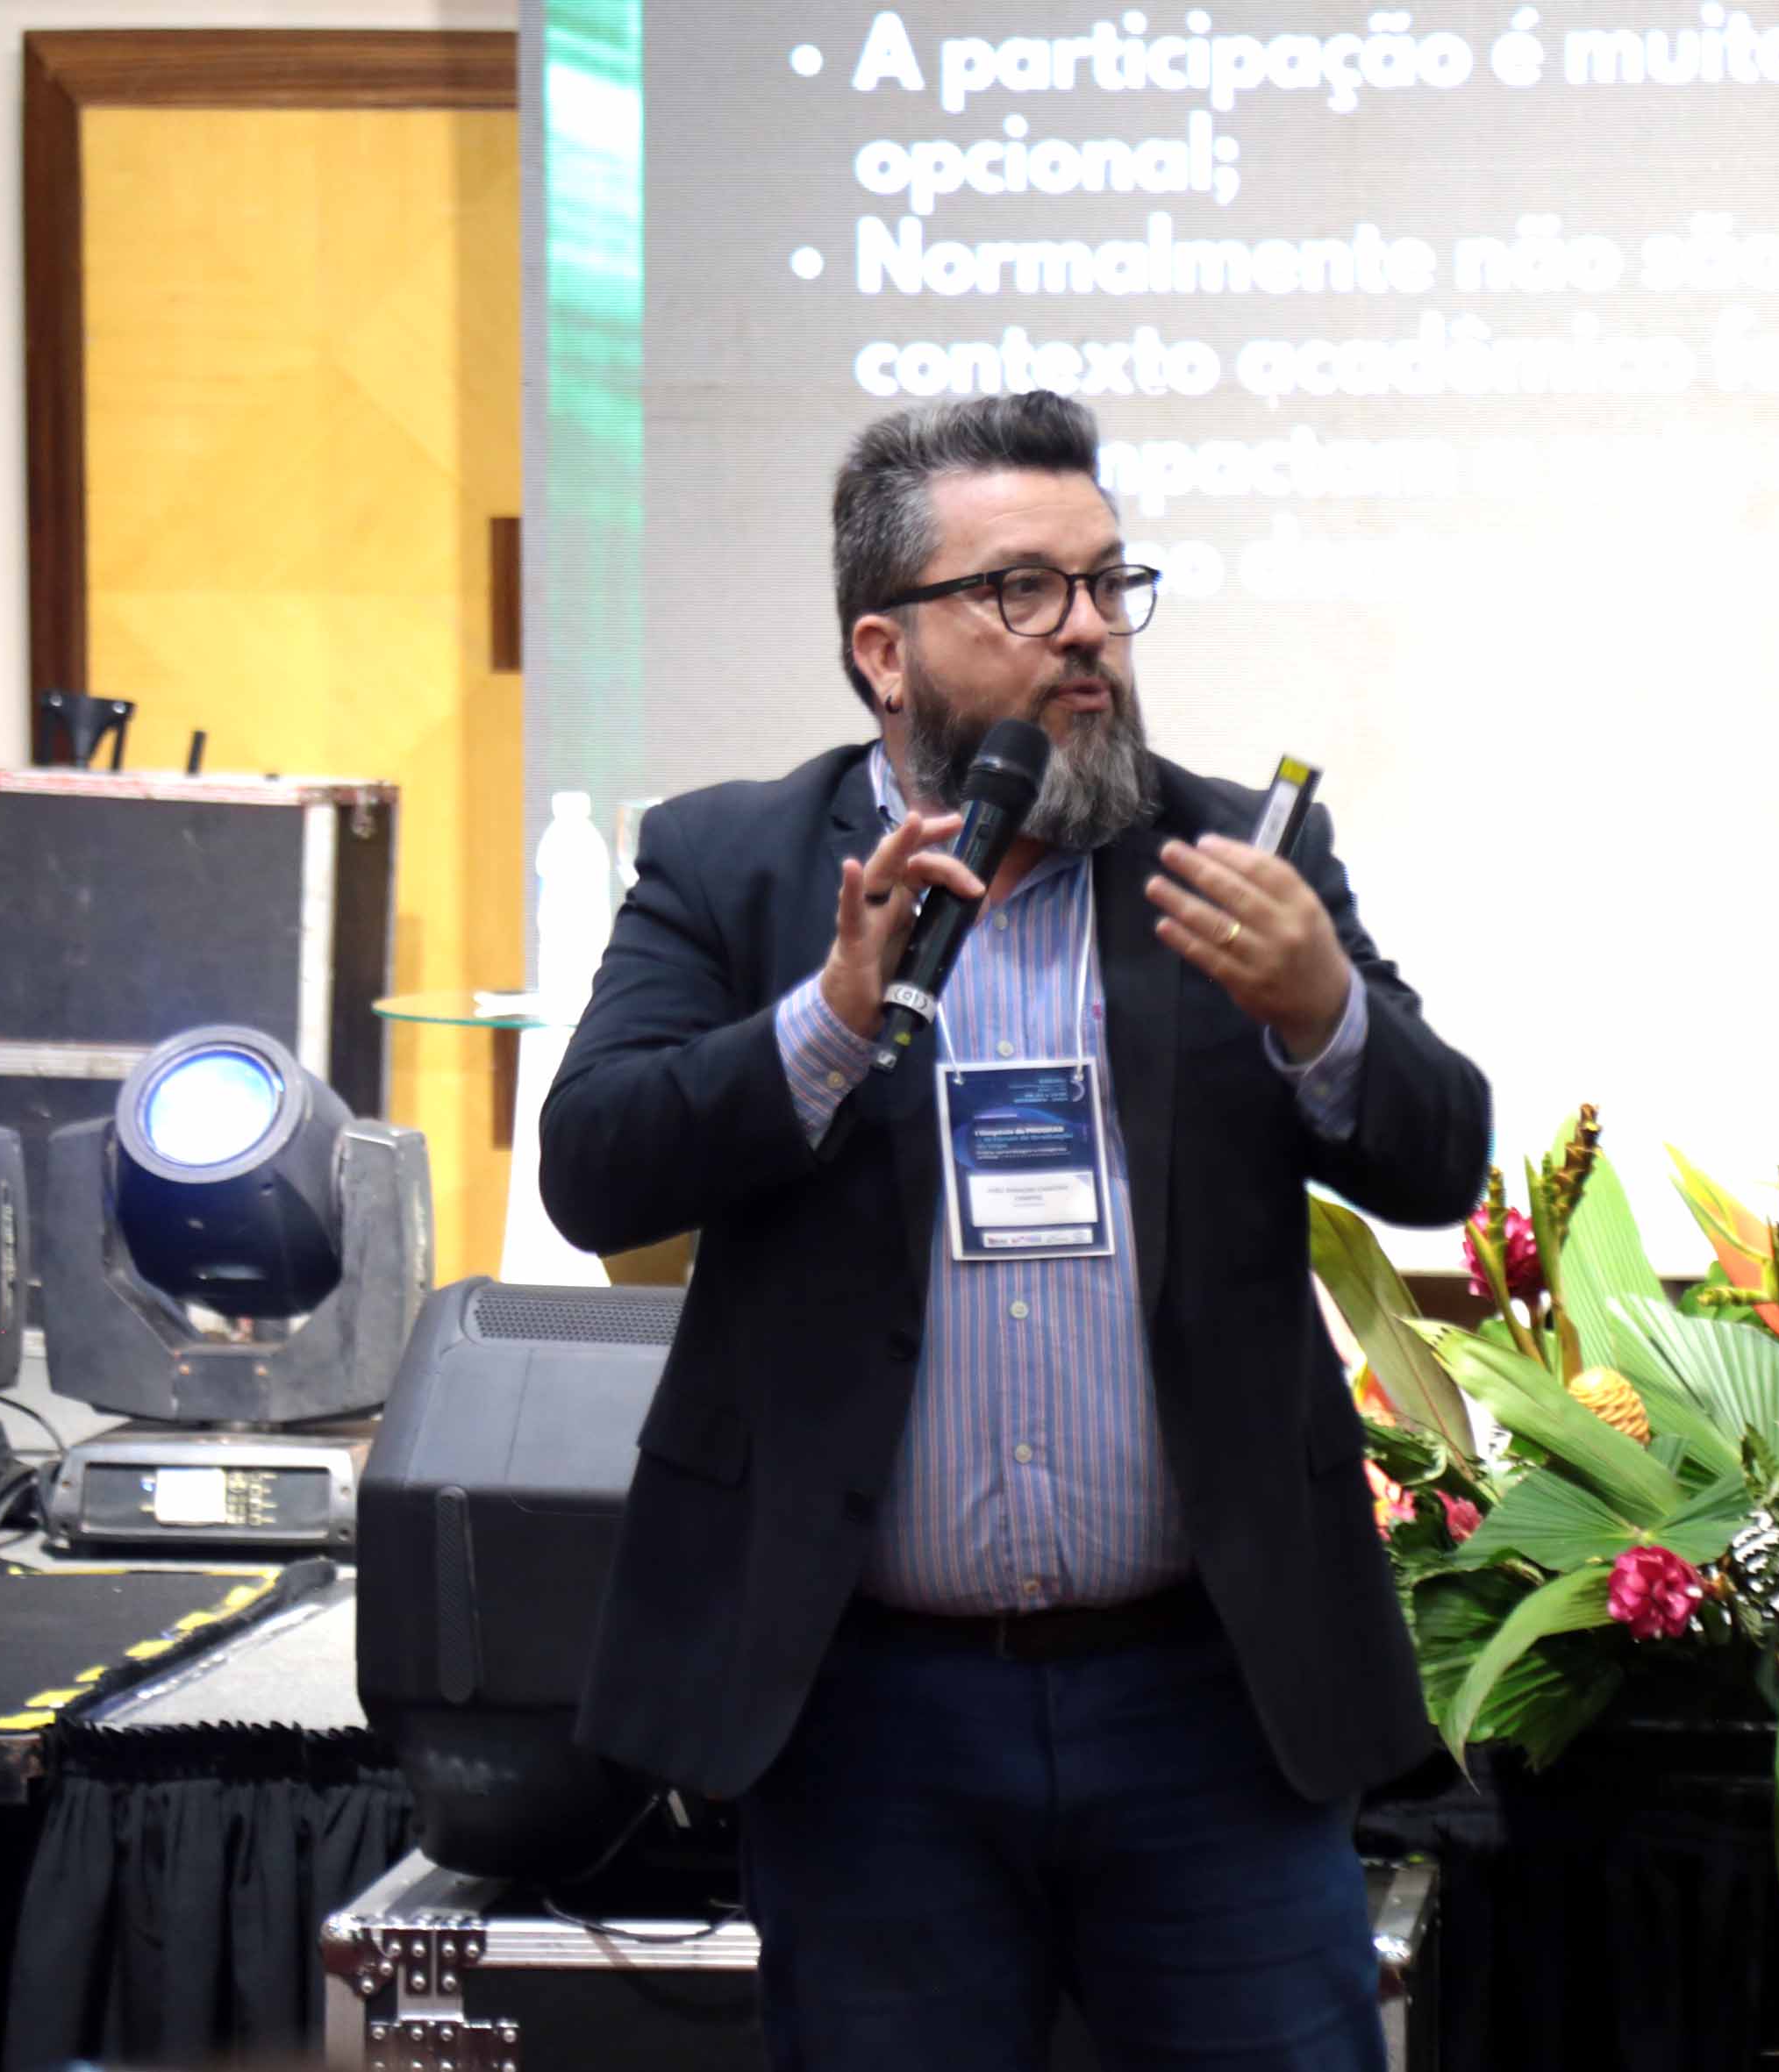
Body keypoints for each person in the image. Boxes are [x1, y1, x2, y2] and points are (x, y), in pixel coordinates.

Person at [539, 389, 1490, 2070]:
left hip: (1205, 1701)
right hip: (871, 1718)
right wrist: (826, 1024)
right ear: (884, 652)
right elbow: (593, 1166)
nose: (1089, 632)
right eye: (1023, 590)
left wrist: (1323, 1008)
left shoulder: (1237, 853)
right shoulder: (734, 864)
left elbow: (1441, 1157)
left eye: (1109, 583)